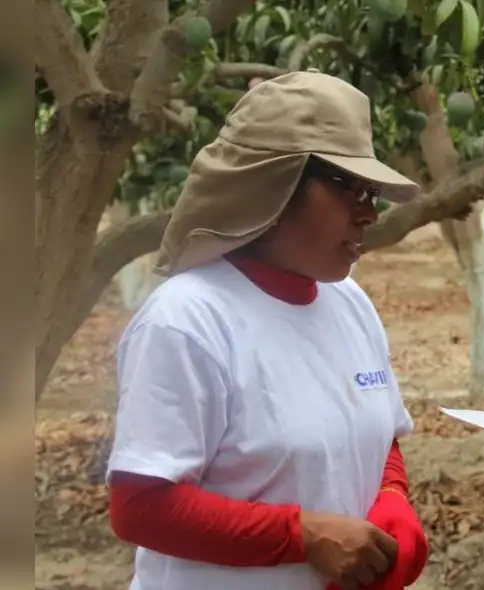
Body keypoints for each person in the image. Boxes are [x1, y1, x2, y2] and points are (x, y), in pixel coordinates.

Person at [106, 70, 429, 590]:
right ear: (275, 190)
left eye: (371, 193)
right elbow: (140, 507)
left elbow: (380, 433)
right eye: (350, 189)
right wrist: (300, 536)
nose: (369, 214)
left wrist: (391, 498)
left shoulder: (349, 302)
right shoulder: (187, 321)